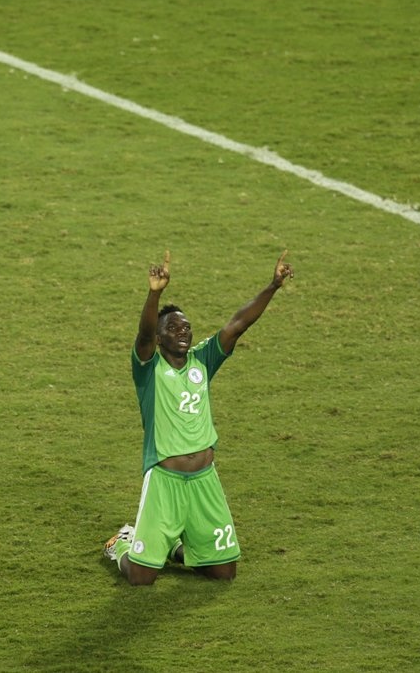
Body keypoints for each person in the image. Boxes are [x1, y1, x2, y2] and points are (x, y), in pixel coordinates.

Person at [104, 250, 294, 585]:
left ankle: (175, 547)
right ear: (161, 337)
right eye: (173, 327)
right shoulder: (149, 368)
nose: (183, 331)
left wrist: (273, 286)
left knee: (223, 573)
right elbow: (144, 336)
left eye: (187, 327)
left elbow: (238, 324)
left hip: (205, 480)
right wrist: (155, 293)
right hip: (165, 482)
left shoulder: (202, 361)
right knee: (140, 578)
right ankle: (122, 544)